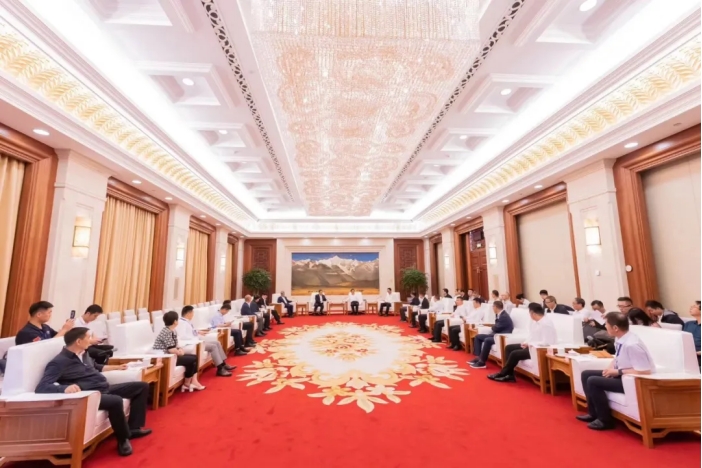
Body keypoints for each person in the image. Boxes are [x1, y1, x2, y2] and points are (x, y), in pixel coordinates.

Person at [35, 327, 152, 457]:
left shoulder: (84, 354)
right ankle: (123, 439)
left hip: (104, 387)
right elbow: (42, 387)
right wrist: (64, 388)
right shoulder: (59, 362)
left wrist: (118, 367)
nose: (91, 340)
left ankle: (134, 428)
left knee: (142, 386)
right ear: (78, 341)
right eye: (88, 337)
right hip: (90, 395)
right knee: (115, 401)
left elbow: (96, 367)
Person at [577, 312, 654, 430]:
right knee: (586, 374)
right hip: (621, 374)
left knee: (593, 381)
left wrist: (618, 372)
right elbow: (617, 357)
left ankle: (605, 420)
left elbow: (645, 371)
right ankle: (593, 414)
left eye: (606, 324)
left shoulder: (632, 344)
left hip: (631, 380)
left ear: (615, 328)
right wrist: (610, 368)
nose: (605, 327)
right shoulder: (620, 338)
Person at [488, 303, 556, 382]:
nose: (529, 316)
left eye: (529, 313)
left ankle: (502, 373)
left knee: (515, 354)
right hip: (531, 346)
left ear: (533, 313)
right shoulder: (535, 322)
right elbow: (531, 335)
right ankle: (510, 375)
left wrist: (529, 344)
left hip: (538, 350)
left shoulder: (546, 324)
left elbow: (547, 342)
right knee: (508, 348)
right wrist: (525, 343)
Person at [154, 311, 205, 392]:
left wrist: (180, 349)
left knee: (194, 357)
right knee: (192, 359)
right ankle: (188, 383)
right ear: (175, 321)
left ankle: (189, 383)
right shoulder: (166, 332)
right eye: (177, 320)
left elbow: (176, 345)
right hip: (166, 358)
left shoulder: (172, 330)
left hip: (172, 356)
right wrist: (180, 352)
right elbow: (171, 350)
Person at [178, 306, 235, 377]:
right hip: (193, 344)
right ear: (188, 313)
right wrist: (196, 337)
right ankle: (220, 369)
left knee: (217, 343)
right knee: (213, 346)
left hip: (197, 341)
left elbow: (191, 331)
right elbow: (183, 336)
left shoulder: (186, 322)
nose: (193, 315)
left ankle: (224, 364)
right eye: (192, 313)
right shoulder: (182, 323)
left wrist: (198, 332)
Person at [469, 301, 514, 369]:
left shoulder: (504, 316)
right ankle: (478, 357)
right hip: (496, 335)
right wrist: (493, 327)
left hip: (501, 336)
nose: (492, 308)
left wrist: (493, 327)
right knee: (478, 337)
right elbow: (496, 327)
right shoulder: (499, 314)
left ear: (495, 307)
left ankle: (482, 362)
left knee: (487, 340)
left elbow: (496, 328)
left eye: (493, 307)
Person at [683, 301, 701, 366]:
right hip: (686, 353)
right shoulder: (688, 324)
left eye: (694, 307)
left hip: (698, 356)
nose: (691, 308)